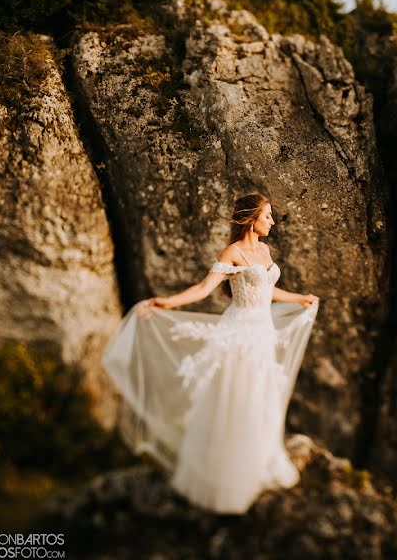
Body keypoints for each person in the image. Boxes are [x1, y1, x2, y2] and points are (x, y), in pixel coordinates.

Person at [101, 192, 320, 514]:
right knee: (235, 397)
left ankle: (257, 463)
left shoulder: (264, 250)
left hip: (262, 332)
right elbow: (204, 288)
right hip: (239, 331)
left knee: (260, 396)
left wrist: (300, 298)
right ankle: (227, 476)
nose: (272, 221)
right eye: (268, 215)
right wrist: (168, 302)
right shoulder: (232, 252)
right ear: (251, 218)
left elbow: (267, 290)